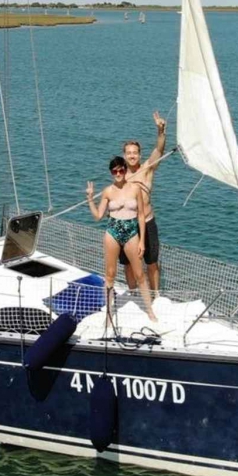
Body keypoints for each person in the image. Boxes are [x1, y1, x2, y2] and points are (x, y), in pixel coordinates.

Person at [86, 156, 158, 324]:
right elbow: (98, 216)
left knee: (140, 274)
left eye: (121, 170)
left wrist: (142, 241)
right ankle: (109, 314)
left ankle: (150, 311)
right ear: (111, 172)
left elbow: (141, 215)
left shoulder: (135, 189)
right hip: (113, 232)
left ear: (125, 170)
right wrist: (90, 198)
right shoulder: (108, 191)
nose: (118, 174)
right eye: (114, 171)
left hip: (131, 232)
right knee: (110, 274)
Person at [121, 111, 169, 298]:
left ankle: (155, 295)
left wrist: (161, 131)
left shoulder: (147, 169)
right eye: (129, 153)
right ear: (124, 156)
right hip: (128, 224)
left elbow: (159, 150)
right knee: (128, 263)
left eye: (135, 153)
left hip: (147, 222)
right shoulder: (120, 175)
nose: (132, 156)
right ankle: (133, 293)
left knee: (152, 262)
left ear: (139, 155)